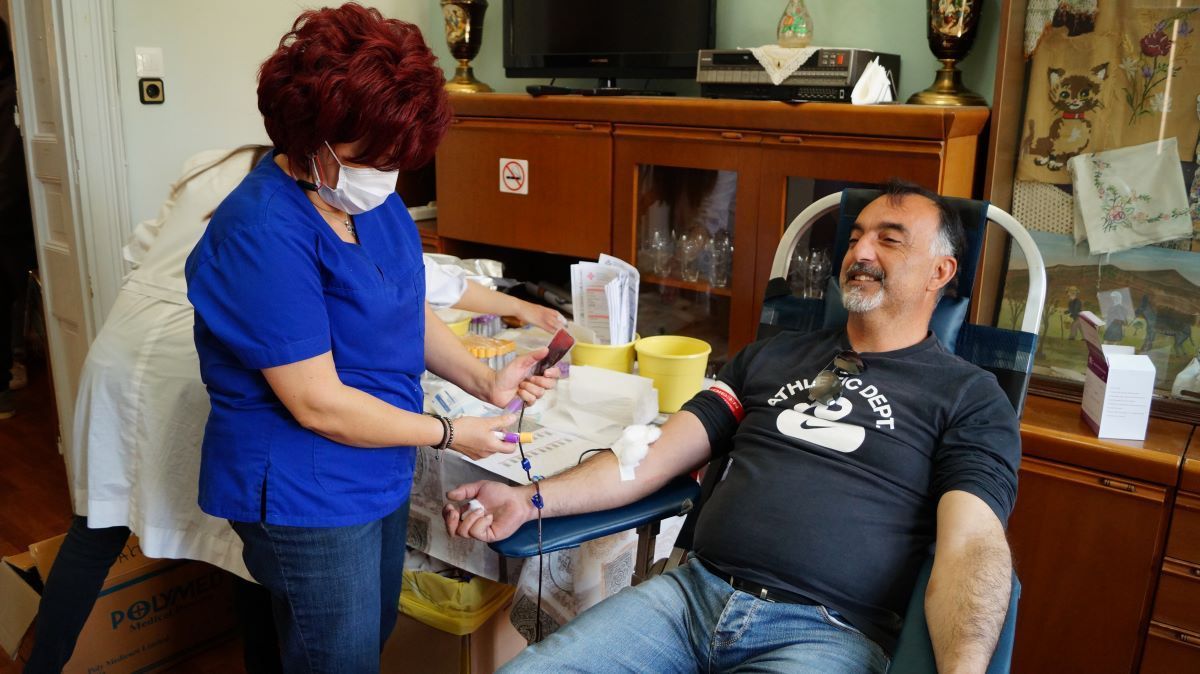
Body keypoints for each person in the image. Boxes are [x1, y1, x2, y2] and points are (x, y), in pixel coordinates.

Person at [445, 180, 1021, 673]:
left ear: (941, 271)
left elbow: (972, 543)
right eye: (854, 238)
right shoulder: (771, 357)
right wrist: (528, 499)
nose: (861, 252)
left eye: (889, 240)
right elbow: (650, 456)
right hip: (688, 599)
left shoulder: (970, 398)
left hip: (825, 634)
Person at [184, 5, 558, 671]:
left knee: (367, 633)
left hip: (378, 459)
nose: (386, 176)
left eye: (396, 161)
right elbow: (318, 403)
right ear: (312, 137)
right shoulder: (262, 232)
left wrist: (483, 380)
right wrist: (451, 434)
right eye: (371, 158)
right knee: (339, 657)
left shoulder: (372, 203)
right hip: (306, 486)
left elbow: (400, 302)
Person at [0, 18, 35, 419]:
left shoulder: (15, 91)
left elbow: (9, 168)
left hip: (10, 215)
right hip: (7, 211)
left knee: (9, 287)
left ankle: (14, 359)